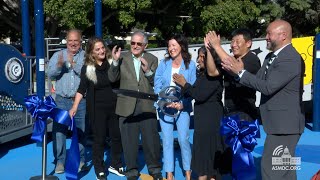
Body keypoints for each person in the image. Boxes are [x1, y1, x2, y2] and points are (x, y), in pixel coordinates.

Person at [211, 19, 305, 180]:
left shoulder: (290, 57)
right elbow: (257, 81)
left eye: (269, 33)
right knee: (286, 171)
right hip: (278, 125)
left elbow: (268, 87)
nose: (266, 37)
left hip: (285, 126)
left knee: (270, 170)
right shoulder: (271, 57)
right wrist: (238, 71)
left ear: (283, 35)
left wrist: (240, 72)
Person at [108, 31, 162, 180]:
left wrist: (149, 72)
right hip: (126, 106)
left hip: (146, 106)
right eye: (133, 43)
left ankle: (155, 169)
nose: (135, 46)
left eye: (139, 43)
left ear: (145, 45)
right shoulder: (121, 57)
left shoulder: (152, 59)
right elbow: (112, 78)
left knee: (151, 141)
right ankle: (131, 171)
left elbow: (156, 84)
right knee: (129, 141)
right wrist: (114, 62)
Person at [69, 37, 124, 180]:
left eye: (102, 48)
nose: (101, 51)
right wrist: (74, 106)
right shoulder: (87, 68)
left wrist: (116, 61)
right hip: (97, 110)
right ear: (92, 53)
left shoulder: (113, 63)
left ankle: (115, 164)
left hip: (114, 107)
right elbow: (82, 89)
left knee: (116, 137)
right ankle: (99, 168)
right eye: (97, 49)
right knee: (99, 140)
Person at [173, 45, 224, 180]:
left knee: (207, 162)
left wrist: (184, 84)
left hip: (211, 122)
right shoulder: (202, 74)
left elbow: (200, 95)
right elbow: (194, 93)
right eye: (199, 56)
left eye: (203, 57)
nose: (200, 60)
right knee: (206, 161)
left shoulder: (214, 76)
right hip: (203, 122)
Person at [154, 34, 196, 180]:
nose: (171, 48)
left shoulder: (190, 65)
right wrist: (164, 101)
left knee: (184, 139)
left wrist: (182, 104)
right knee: (166, 140)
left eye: (174, 45)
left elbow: (193, 88)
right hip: (165, 107)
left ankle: (188, 172)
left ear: (182, 46)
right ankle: (169, 173)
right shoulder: (164, 64)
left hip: (182, 108)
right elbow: (157, 84)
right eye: (169, 45)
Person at [47, 29, 86, 174]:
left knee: (81, 131)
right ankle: (60, 162)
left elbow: (87, 74)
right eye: (70, 40)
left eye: (76, 40)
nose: (73, 43)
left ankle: (81, 159)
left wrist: (73, 64)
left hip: (80, 101)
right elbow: (49, 74)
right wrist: (59, 66)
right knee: (59, 132)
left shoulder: (86, 56)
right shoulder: (58, 55)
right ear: (66, 41)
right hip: (62, 100)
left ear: (81, 41)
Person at [208, 28, 261, 121]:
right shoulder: (232, 58)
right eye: (232, 41)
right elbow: (212, 72)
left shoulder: (252, 59)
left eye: (237, 41)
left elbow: (232, 65)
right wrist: (209, 49)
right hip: (229, 111)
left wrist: (217, 46)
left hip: (245, 113)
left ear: (248, 43)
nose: (233, 45)